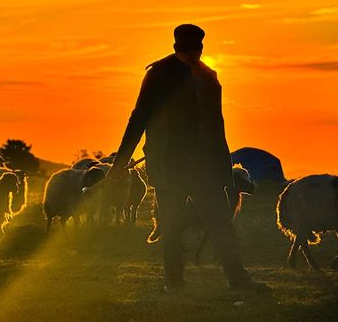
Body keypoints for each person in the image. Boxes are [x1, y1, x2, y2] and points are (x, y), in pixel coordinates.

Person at [110, 24, 263, 293]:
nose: (196, 52)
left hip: (206, 167)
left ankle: (238, 280)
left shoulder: (208, 76)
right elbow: (139, 118)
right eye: (192, 48)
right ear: (181, 47)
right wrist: (120, 161)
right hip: (171, 166)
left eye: (196, 48)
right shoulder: (158, 75)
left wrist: (221, 166)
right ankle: (174, 282)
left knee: (219, 223)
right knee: (172, 225)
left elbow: (217, 124)